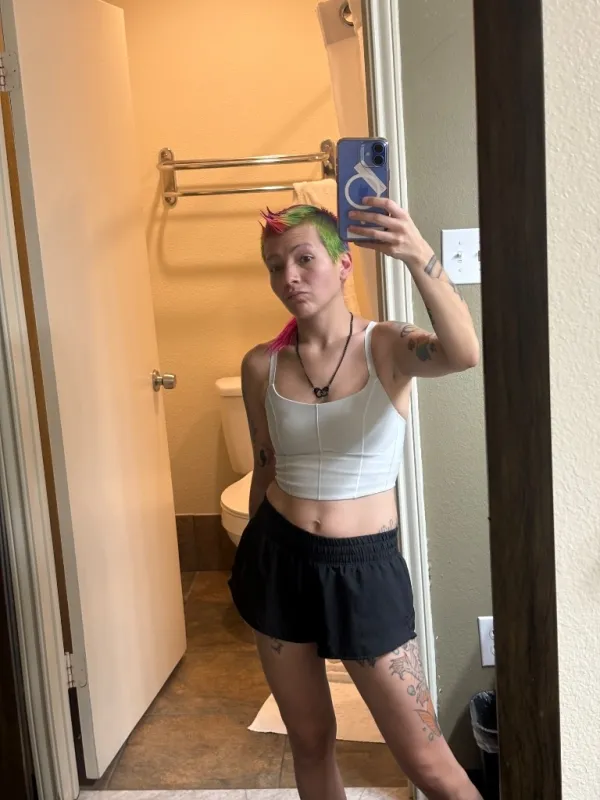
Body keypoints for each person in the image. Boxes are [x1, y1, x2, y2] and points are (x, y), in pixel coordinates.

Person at [228, 199, 483, 800]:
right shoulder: (261, 365)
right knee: (310, 740)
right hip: (279, 561)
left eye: (304, 259)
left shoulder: (388, 346)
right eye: (274, 266)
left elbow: (464, 353)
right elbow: (264, 464)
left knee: (429, 763)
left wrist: (418, 253)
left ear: (343, 263)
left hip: (365, 572)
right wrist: (251, 559)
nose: (288, 277)